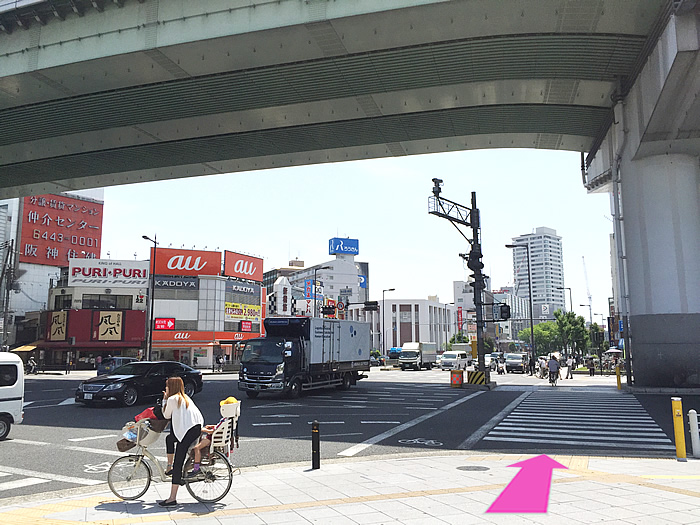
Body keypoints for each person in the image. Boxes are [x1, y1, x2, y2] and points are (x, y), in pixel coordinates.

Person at [160, 376, 204, 507]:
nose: (166, 388)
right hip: (195, 428)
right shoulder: (185, 397)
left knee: (179, 460)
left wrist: (164, 400)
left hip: (187, 431)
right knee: (169, 439)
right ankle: (170, 466)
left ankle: (172, 498)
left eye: (167, 386)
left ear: (171, 387)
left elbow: (166, 415)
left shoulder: (173, 399)